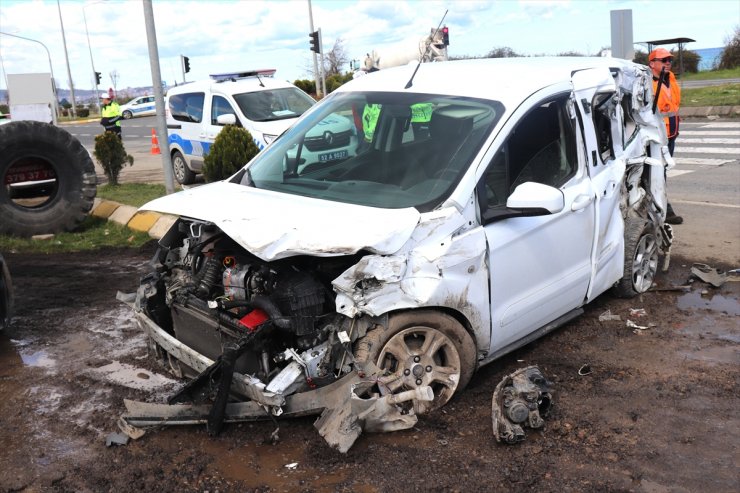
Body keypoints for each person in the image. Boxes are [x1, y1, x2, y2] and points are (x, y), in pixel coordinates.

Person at [648, 47, 683, 224]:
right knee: (659, 173)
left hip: (672, 133)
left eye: (670, 60)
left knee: (662, 171)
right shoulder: (647, 83)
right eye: (664, 60)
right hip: (658, 136)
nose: (668, 63)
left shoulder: (671, 78)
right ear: (652, 63)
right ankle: (665, 209)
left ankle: (653, 205)